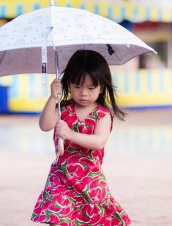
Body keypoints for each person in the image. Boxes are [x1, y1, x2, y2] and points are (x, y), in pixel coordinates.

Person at [31, 50, 131, 226]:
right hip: (61, 177)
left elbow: (99, 142)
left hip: (90, 180)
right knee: (58, 217)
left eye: (91, 88)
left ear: (102, 87)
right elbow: (45, 125)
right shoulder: (63, 109)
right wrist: (53, 98)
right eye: (77, 86)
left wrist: (69, 134)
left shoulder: (102, 115)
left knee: (90, 220)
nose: (84, 93)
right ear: (68, 83)